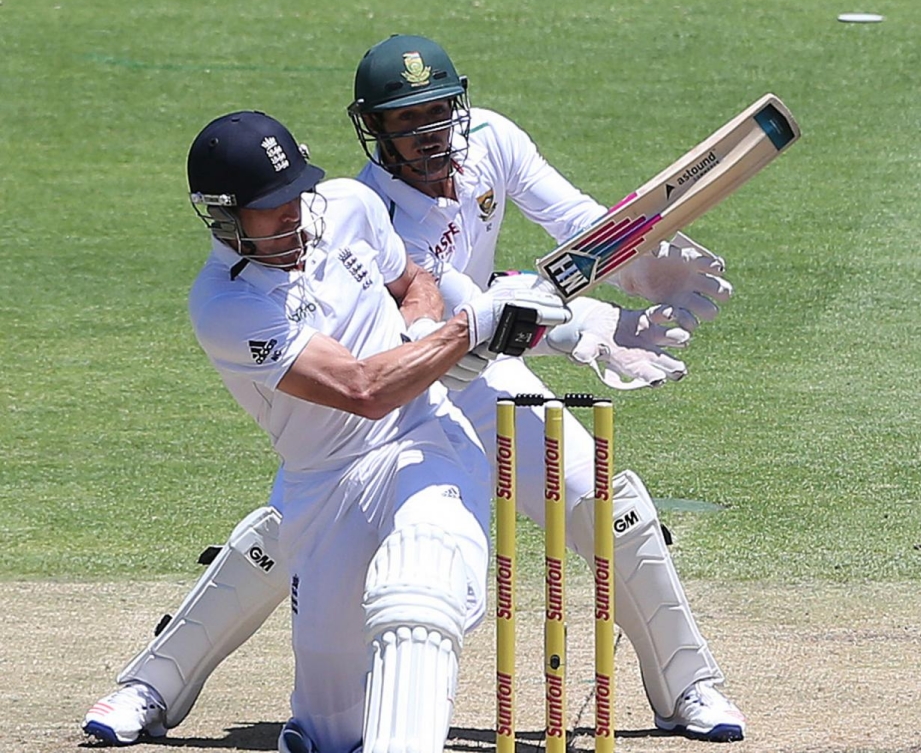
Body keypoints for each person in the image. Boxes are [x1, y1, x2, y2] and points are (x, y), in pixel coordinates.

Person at [83, 38, 745, 747]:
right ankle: (151, 685)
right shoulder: (369, 206)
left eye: (440, 112)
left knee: (597, 500)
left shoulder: (486, 141)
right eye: (407, 121)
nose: (431, 133)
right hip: (406, 372)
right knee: (288, 536)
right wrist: (568, 330)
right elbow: (463, 304)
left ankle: (688, 687)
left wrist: (635, 271)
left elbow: (571, 224)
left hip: (469, 363)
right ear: (374, 128)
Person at [84, 109, 570, 753]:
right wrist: (465, 331)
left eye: (296, 195)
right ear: (222, 215)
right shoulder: (228, 307)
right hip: (325, 488)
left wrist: (423, 333)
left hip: (425, 439)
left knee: (417, 596)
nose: (293, 215)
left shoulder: (348, 205)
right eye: (269, 208)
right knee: (330, 732)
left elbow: (413, 282)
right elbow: (361, 390)